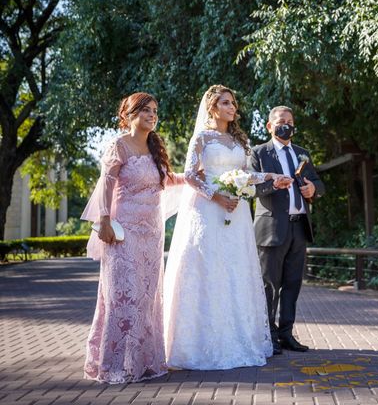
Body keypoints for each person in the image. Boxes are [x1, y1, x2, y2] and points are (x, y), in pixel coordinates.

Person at [163, 85, 291, 370]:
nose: (232, 107)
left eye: (233, 103)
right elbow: (190, 176)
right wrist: (216, 195)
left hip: (237, 212)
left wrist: (272, 176)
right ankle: (199, 342)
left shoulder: (240, 141)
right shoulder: (202, 138)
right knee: (209, 270)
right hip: (208, 209)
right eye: (225, 103)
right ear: (212, 108)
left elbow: (246, 174)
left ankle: (237, 338)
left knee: (236, 270)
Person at [81, 92, 185, 384]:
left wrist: (192, 177)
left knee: (146, 297)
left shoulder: (154, 147)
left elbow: (167, 179)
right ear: (128, 114)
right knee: (121, 295)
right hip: (123, 231)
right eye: (146, 110)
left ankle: (143, 362)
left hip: (152, 233)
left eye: (155, 110)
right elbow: (106, 184)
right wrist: (103, 220)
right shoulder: (119, 145)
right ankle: (114, 364)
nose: (153, 115)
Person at [251, 105, 325, 354]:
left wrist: (313, 190)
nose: (287, 125)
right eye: (282, 121)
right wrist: (274, 184)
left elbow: (318, 182)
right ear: (270, 126)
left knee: (292, 284)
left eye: (290, 121)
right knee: (269, 286)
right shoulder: (259, 153)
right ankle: (268, 337)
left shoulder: (302, 153)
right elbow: (251, 189)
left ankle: (286, 335)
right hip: (271, 228)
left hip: (299, 228)